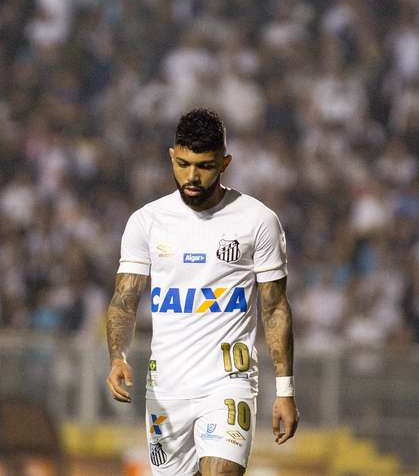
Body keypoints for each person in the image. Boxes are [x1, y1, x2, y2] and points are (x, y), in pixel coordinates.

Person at [106, 108, 298, 476]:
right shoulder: (146, 222)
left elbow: (274, 308)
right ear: (171, 157)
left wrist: (285, 390)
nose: (192, 176)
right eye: (183, 163)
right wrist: (117, 356)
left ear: (225, 163)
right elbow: (124, 299)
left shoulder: (257, 221)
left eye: (205, 166)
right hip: (167, 389)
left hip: (228, 383)